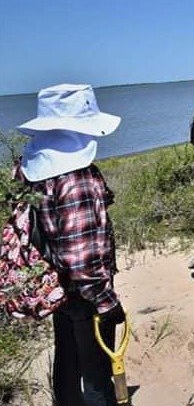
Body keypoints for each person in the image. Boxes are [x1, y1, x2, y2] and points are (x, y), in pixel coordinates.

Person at [15, 84, 125, 406]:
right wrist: (107, 302)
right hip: (84, 293)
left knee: (67, 360)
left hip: (57, 287)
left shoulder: (31, 168)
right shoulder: (76, 178)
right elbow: (82, 259)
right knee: (96, 373)